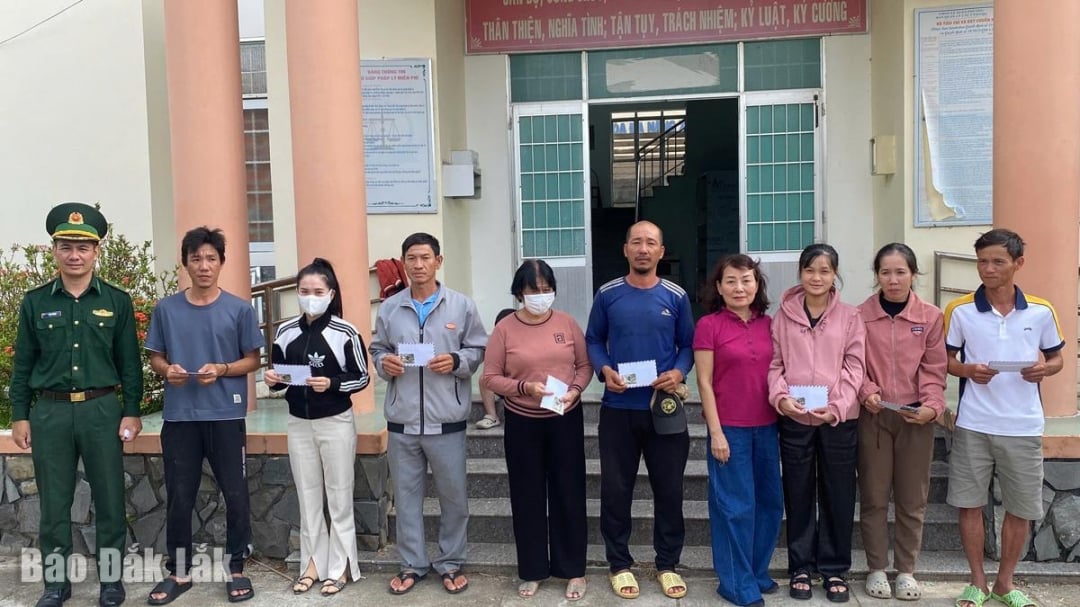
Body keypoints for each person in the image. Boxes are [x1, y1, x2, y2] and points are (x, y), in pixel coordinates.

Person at [9, 203, 143, 607]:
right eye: (66, 246)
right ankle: (55, 584)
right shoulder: (35, 303)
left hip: (101, 410)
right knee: (53, 504)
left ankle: (111, 583)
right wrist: (19, 414)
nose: (74, 255)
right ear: (54, 250)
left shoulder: (116, 302)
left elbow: (130, 364)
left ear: (97, 251)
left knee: (109, 501)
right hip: (49, 411)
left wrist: (132, 409)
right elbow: (23, 364)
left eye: (83, 247)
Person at [944, 229, 1063, 607]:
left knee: (1020, 507)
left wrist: (1045, 369)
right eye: (982, 261)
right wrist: (967, 371)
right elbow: (945, 360)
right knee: (969, 504)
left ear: (1018, 263)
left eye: (997, 261)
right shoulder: (960, 310)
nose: (988, 269)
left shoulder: (1042, 310)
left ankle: (1005, 583)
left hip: (1024, 425)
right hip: (974, 423)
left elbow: (1057, 357)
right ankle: (977, 582)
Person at [144, 227, 263, 604]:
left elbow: (253, 359)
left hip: (226, 415)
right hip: (180, 417)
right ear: (186, 263)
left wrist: (224, 369)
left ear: (222, 263)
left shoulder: (240, 309)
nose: (204, 265)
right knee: (180, 494)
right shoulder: (167, 309)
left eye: (211, 258)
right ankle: (178, 573)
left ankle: (237, 568)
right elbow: (155, 357)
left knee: (236, 494)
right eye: (196, 258)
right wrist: (168, 372)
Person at [369, 232, 488, 596]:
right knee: (406, 498)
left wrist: (456, 361)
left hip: (446, 420)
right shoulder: (390, 308)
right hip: (402, 420)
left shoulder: (461, 306)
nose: (418, 265)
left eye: (425, 258)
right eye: (411, 258)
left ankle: (451, 562)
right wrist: (384, 363)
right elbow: (377, 349)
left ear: (439, 260)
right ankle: (412, 564)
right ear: (403, 263)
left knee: (454, 497)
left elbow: (478, 348)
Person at [585, 220, 695, 600]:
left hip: (663, 407)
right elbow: (594, 339)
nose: (643, 249)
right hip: (618, 408)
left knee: (670, 491)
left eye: (651, 243)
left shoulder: (676, 296)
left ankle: (667, 563)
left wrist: (679, 371)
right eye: (636, 242)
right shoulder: (608, 294)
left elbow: (687, 345)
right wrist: (604, 369)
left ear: (661, 251)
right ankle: (619, 564)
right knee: (617, 490)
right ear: (626, 249)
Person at [481, 260, 592, 601]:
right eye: (533, 291)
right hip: (522, 420)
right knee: (527, 495)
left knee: (569, 493)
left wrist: (575, 390)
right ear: (519, 293)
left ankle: (573, 570)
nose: (541, 296)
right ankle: (532, 570)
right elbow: (489, 377)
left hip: (564, 417)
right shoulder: (505, 329)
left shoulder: (567, 323)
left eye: (546, 290)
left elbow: (585, 366)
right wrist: (523, 388)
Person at [263, 258, 370, 596]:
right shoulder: (285, 331)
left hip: (335, 421)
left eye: (317, 291)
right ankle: (311, 564)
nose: (310, 297)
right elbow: (279, 376)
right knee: (308, 495)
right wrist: (273, 379)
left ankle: (339, 568)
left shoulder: (345, 332)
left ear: (331, 293)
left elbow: (362, 376)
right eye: (304, 291)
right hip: (299, 423)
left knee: (338, 496)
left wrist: (333, 384)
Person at [768, 243, 865, 603]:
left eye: (825, 271)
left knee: (838, 493)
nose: (817, 277)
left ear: (835, 275)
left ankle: (836, 568)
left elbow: (855, 366)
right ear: (801, 273)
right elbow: (775, 363)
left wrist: (837, 406)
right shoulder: (783, 316)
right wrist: (781, 398)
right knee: (799, 492)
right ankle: (801, 567)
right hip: (795, 417)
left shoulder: (850, 317)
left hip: (838, 419)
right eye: (810, 270)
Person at [856, 243, 947, 601]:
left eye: (900, 272)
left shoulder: (931, 316)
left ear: (913, 274)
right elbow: (855, 363)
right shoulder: (859, 315)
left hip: (916, 419)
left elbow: (935, 368)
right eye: (885, 272)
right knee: (875, 497)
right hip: (875, 416)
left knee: (912, 498)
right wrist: (866, 392)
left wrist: (932, 405)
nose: (892, 280)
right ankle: (877, 567)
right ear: (876, 275)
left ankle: (907, 570)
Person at [693, 254, 782, 607]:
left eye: (746, 279)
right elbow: (703, 381)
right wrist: (716, 433)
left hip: (769, 427)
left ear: (757, 284)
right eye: (730, 280)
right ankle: (735, 582)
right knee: (734, 507)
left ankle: (756, 571)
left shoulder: (770, 324)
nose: (739, 287)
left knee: (770, 504)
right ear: (719, 287)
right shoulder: (709, 326)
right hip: (730, 429)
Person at [474, 308, 516, 429]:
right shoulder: (495, 342)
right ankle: (492, 416)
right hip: (505, 385)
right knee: (484, 379)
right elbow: (492, 370)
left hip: (525, 387)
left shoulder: (527, 341)